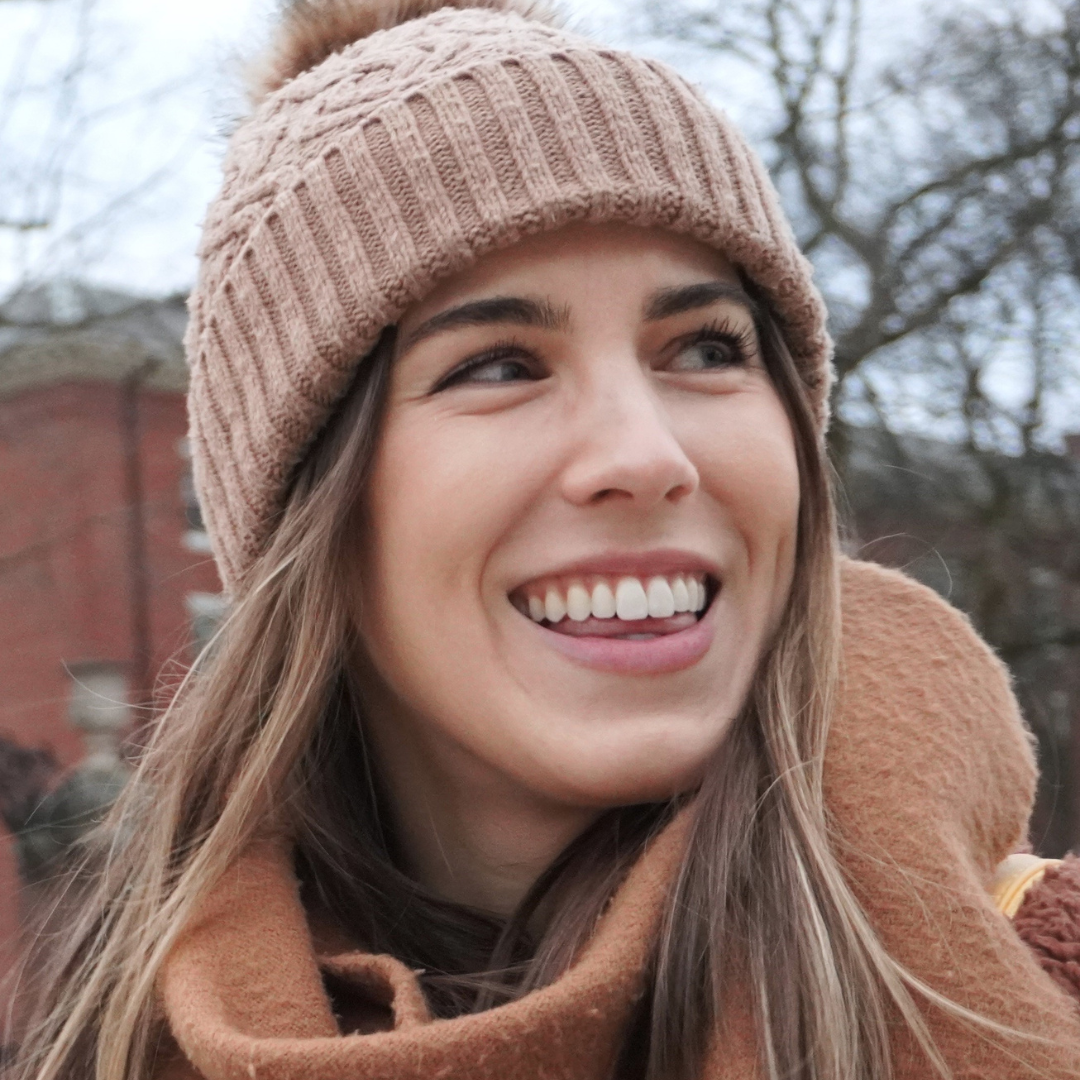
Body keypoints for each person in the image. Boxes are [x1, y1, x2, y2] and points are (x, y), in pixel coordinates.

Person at [10, 2, 1080, 1078]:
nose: (647, 454)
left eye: (707, 348)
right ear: (309, 506)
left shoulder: (1040, 974)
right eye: (499, 365)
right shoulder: (112, 1049)